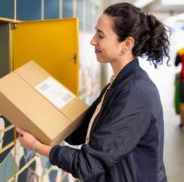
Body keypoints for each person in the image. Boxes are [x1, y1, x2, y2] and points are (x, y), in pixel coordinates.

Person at [16, 2, 170, 182]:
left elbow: (88, 164)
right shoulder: (118, 84)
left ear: (126, 44)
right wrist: (40, 109)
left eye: (101, 35)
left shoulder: (135, 93)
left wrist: (35, 146)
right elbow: (78, 133)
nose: (92, 41)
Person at [175, 48, 184, 130]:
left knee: (182, 102)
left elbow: (176, 64)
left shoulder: (181, 51)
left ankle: (182, 122)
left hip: (183, 80)